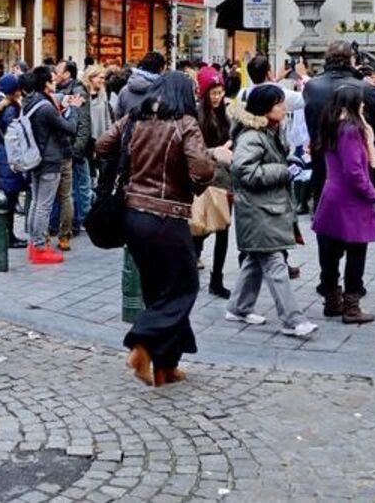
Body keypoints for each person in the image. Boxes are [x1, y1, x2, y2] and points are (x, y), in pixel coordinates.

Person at [95, 73, 231, 386]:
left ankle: (165, 366)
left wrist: (133, 164)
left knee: (159, 290)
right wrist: (214, 155)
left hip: (132, 215)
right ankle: (142, 346)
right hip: (166, 217)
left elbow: (103, 145)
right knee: (184, 287)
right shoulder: (185, 123)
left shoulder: (135, 118)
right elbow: (202, 169)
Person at [225, 85, 319, 338]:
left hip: (266, 207)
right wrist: (284, 170)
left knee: (256, 260)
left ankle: (238, 307)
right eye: (278, 104)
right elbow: (244, 171)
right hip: (259, 210)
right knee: (276, 263)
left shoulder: (268, 132)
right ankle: (293, 320)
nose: (284, 108)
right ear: (266, 108)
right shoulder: (252, 136)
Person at [312, 85, 375, 325]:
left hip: (332, 195)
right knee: (356, 253)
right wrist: (371, 193)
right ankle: (351, 307)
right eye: (360, 102)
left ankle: (332, 300)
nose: (363, 106)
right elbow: (354, 170)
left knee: (330, 253)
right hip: (351, 199)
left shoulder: (331, 125)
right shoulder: (351, 130)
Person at [303, 41, 375, 205]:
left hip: (323, 156)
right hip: (355, 156)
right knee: (355, 211)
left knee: (325, 210)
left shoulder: (312, 86)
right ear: (351, 60)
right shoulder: (364, 87)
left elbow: (310, 118)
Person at [22, 66, 81, 264]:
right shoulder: (46, 108)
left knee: (37, 202)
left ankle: (34, 244)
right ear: (46, 83)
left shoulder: (31, 101)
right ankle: (39, 247)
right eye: (52, 80)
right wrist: (74, 110)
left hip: (36, 157)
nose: (55, 82)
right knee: (44, 205)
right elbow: (70, 128)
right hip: (50, 159)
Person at [194, 67, 232, 299]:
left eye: (219, 91)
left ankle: (216, 279)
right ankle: (190, 269)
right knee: (199, 229)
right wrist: (215, 152)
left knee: (224, 231)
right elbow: (195, 152)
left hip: (225, 180)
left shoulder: (225, 114)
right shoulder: (198, 117)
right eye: (212, 92)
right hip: (206, 180)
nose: (216, 96)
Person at [50, 60, 83, 250]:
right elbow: (74, 123)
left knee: (46, 198)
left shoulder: (42, 100)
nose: (56, 75)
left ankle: (48, 236)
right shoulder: (64, 97)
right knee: (64, 196)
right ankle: (64, 236)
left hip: (52, 153)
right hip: (63, 151)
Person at [0, 73, 28, 248]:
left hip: (3, 154)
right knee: (10, 198)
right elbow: (12, 135)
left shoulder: (0, 106)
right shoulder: (11, 110)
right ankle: (8, 236)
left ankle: (7, 235)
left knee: (8, 197)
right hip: (8, 156)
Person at [115, 51, 165, 117]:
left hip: (129, 126)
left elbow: (118, 116)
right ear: (161, 69)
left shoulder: (125, 90)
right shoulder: (163, 91)